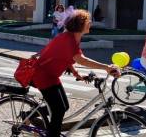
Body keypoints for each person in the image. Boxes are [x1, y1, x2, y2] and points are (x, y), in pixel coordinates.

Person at [31, 9, 120, 137]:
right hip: (43, 75)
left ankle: (31, 116)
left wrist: (76, 74)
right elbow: (81, 59)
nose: (90, 23)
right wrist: (106, 67)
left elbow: (67, 58)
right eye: (88, 21)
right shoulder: (68, 39)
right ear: (80, 24)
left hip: (51, 75)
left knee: (64, 106)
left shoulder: (73, 38)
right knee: (58, 109)